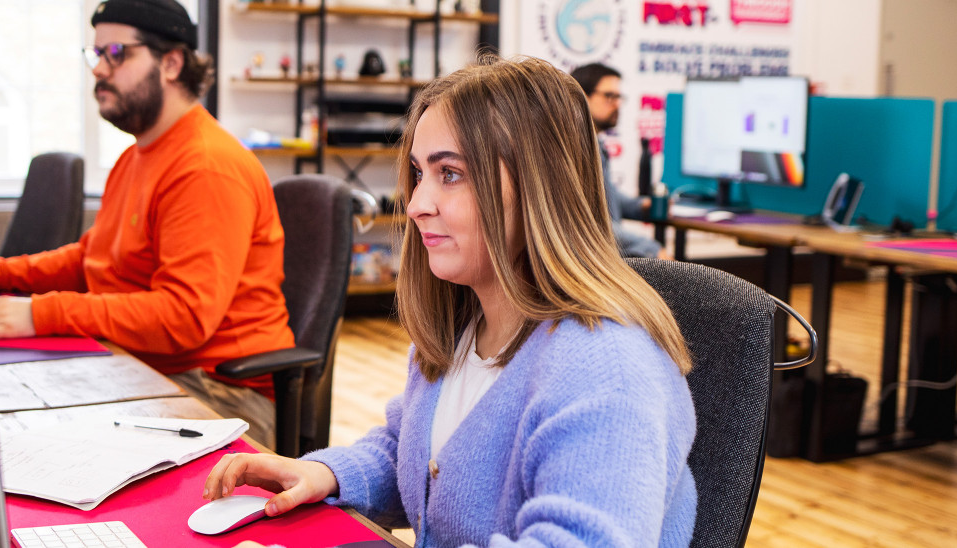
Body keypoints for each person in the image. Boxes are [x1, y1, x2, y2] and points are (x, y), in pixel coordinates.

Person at [202, 56, 697, 547]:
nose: (416, 204)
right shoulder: (464, 323)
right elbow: (417, 455)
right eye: (419, 173)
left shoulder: (608, 367)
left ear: (538, 186)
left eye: (451, 174)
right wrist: (323, 474)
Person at [0, 0, 293, 448]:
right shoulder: (135, 156)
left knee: (37, 443)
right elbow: (91, 257)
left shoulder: (205, 166)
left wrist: (40, 313)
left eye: (116, 53)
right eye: (95, 55)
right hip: (143, 367)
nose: (99, 70)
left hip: (222, 395)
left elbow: (183, 318)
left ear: (171, 62)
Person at [570, 63, 666, 259]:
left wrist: (640, 206)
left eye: (618, 97)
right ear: (581, 96)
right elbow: (590, 226)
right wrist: (652, 249)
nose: (617, 103)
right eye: (609, 96)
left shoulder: (594, 143)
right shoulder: (576, 148)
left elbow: (607, 197)